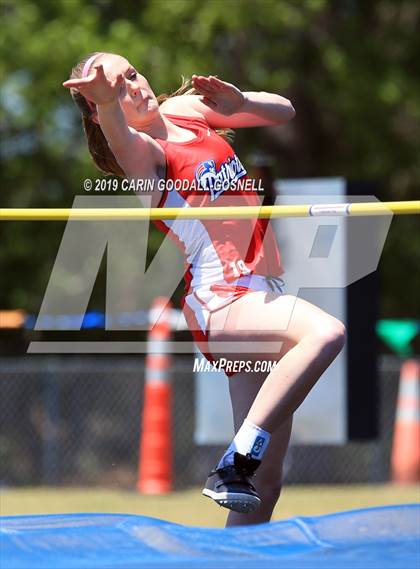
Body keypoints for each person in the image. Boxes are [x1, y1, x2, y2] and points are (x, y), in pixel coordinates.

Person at [64, 52, 346, 527]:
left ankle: (237, 503)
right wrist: (107, 103)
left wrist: (240, 101)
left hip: (262, 295)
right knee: (327, 333)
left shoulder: (185, 111)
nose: (134, 85)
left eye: (132, 73)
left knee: (265, 488)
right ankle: (235, 459)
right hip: (224, 302)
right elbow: (117, 130)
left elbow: (284, 111)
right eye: (117, 88)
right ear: (98, 107)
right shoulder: (142, 154)